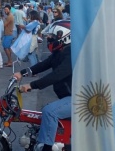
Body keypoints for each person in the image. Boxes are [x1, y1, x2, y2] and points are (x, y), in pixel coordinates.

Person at [13, 20, 72, 151]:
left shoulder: (71, 56)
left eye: (52, 36)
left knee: (49, 112)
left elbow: (55, 76)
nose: (49, 38)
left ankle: (47, 147)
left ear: (63, 36)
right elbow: (43, 65)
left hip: (78, 99)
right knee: (46, 111)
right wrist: (22, 73)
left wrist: (31, 85)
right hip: (68, 97)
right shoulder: (60, 53)